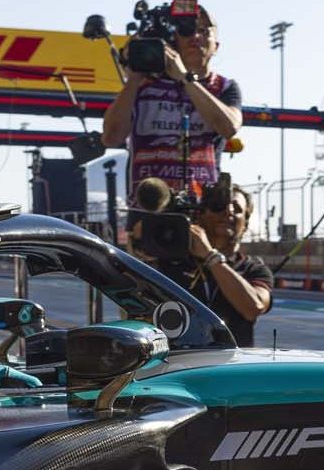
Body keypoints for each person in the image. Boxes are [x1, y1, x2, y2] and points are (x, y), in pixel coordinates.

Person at [101, 4, 242, 201]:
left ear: (216, 46)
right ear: (173, 41)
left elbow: (229, 127)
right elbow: (111, 137)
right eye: (186, 30)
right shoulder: (144, 84)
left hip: (202, 206)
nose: (195, 36)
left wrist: (185, 77)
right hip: (148, 206)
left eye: (203, 30)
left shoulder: (224, 87)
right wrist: (133, 79)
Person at [155, 185, 274, 346]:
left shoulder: (254, 269)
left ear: (245, 224)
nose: (229, 211)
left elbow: (253, 307)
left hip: (231, 367)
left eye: (237, 209)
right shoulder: (170, 263)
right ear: (200, 216)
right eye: (219, 207)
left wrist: (210, 256)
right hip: (180, 365)